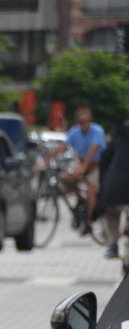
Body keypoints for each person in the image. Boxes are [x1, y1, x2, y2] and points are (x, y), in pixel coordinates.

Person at [38, 105, 105, 252]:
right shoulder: (75, 132)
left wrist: (82, 168)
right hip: (82, 163)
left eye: (86, 121)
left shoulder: (97, 131)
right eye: (81, 122)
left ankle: (88, 222)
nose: (84, 125)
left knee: (91, 190)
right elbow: (62, 147)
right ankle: (79, 199)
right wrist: (46, 161)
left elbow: (93, 151)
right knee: (65, 178)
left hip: (95, 165)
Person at [94, 121, 129, 255]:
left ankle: (112, 245)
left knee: (111, 213)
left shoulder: (118, 137)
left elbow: (104, 161)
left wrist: (103, 183)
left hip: (115, 188)